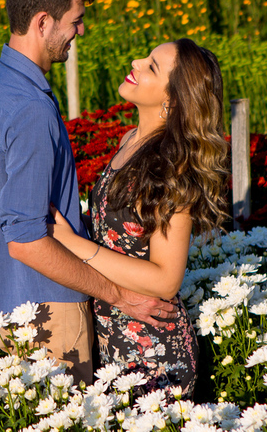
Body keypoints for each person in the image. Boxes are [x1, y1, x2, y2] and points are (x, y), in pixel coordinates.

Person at [0, 0, 177, 386]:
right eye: (75, 20)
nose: (81, 30)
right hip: (48, 312)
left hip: (10, 300)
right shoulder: (30, 109)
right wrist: (121, 296)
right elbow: (26, 241)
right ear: (43, 23)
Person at [49, 38, 229, 398]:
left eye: (151, 66)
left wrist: (72, 244)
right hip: (113, 332)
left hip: (152, 352)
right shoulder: (131, 139)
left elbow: (166, 280)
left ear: (172, 99)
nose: (135, 61)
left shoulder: (170, 166)